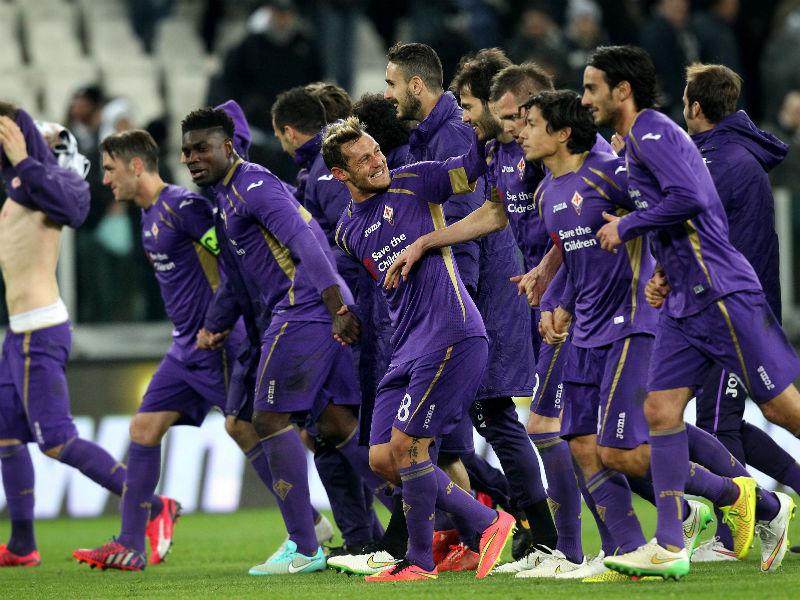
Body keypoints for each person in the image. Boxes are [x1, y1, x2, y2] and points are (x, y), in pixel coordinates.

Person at [584, 45, 800, 579]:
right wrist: (663, 269)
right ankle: (669, 544)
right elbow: (680, 215)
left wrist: (627, 227)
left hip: (722, 293)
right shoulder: (638, 142)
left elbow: (692, 198)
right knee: (660, 412)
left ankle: (769, 509)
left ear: (622, 91)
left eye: (592, 88)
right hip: (684, 301)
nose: (586, 98)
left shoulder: (653, 132)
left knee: (780, 410)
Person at [180, 107, 384, 576]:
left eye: (202, 148)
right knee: (335, 423)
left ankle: (304, 545)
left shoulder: (252, 184)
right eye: (187, 150)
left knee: (267, 417)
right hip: (304, 307)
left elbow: (308, 238)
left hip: (306, 305)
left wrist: (336, 305)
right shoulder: (228, 194)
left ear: (228, 146)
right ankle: (425, 520)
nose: (192, 158)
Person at [383, 43, 554, 569]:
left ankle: (541, 533)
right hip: (494, 291)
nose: (469, 117)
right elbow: (483, 215)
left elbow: (469, 241)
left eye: (473, 106)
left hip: (490, 293)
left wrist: (455, 316)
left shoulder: (457, 136)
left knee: (494, 414)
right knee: (469, 422)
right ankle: (507, 528)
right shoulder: (457, 141)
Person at [324, 115, 515, 582]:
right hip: (404, 348)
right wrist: (346, 315)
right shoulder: (347, 232)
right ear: (340, 175)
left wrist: (484, 127)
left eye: (376, 151)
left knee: (410, 448)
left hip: (451, 331)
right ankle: (484, 521)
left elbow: (469, 169)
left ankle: (419, 561)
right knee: (381, 457)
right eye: (363, 159)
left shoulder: (416, 181)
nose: (377, 161)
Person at [0, 105, 172, 568]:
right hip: (18, 334)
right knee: (5, 435)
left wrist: (29, 151)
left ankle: (154, 506)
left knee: (56, 440)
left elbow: (75, 205)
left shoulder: (43, 184)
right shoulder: (23, 184)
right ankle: (21, 545)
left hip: (40, 328)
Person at [681, 63, 800, 562]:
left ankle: (736, 538)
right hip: (735, 311)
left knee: (716, 422)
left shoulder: (721, 162)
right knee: (734, 419)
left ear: (696, 108)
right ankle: (778, 505)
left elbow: (720, 245)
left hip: (732, 315)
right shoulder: (727, 155)